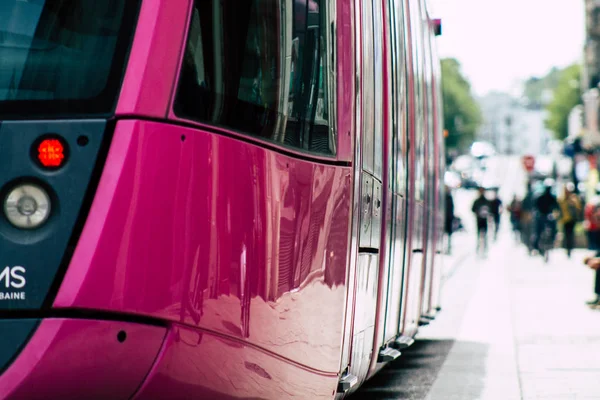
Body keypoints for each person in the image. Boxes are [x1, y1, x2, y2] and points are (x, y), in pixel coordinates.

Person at [533, 181, 559, 253]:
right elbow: (535, 207)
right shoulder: (540, 197)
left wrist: (555, 213)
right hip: (541, 215)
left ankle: (552, 240)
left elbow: (556, 207)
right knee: (538, 231)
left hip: (549, 216)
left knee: (553, 228)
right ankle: (536, 247)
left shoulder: (552, 197)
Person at [558, 183, 582, 258]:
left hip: (571, 220)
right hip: (565, 220)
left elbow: (578, 208)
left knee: (570, 234)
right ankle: (568, 248)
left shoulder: (573, 198)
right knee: (566, 235)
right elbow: (559, 209)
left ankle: (570, 248)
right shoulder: (561, 199)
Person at [472, 187, 491, 256]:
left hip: (482, 220)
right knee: (480, 235)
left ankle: (483, 249)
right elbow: (473, 209)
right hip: (480, 220)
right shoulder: (480, 201)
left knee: (483, 235)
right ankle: (480, 248)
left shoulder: (482, 201)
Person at [444, 185, 455, 254]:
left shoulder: (448, 197)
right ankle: (447, 247)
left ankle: (448, 247)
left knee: (448, 234)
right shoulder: (447, 197)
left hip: (448, 218)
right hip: (447, 218)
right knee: (447, 234)